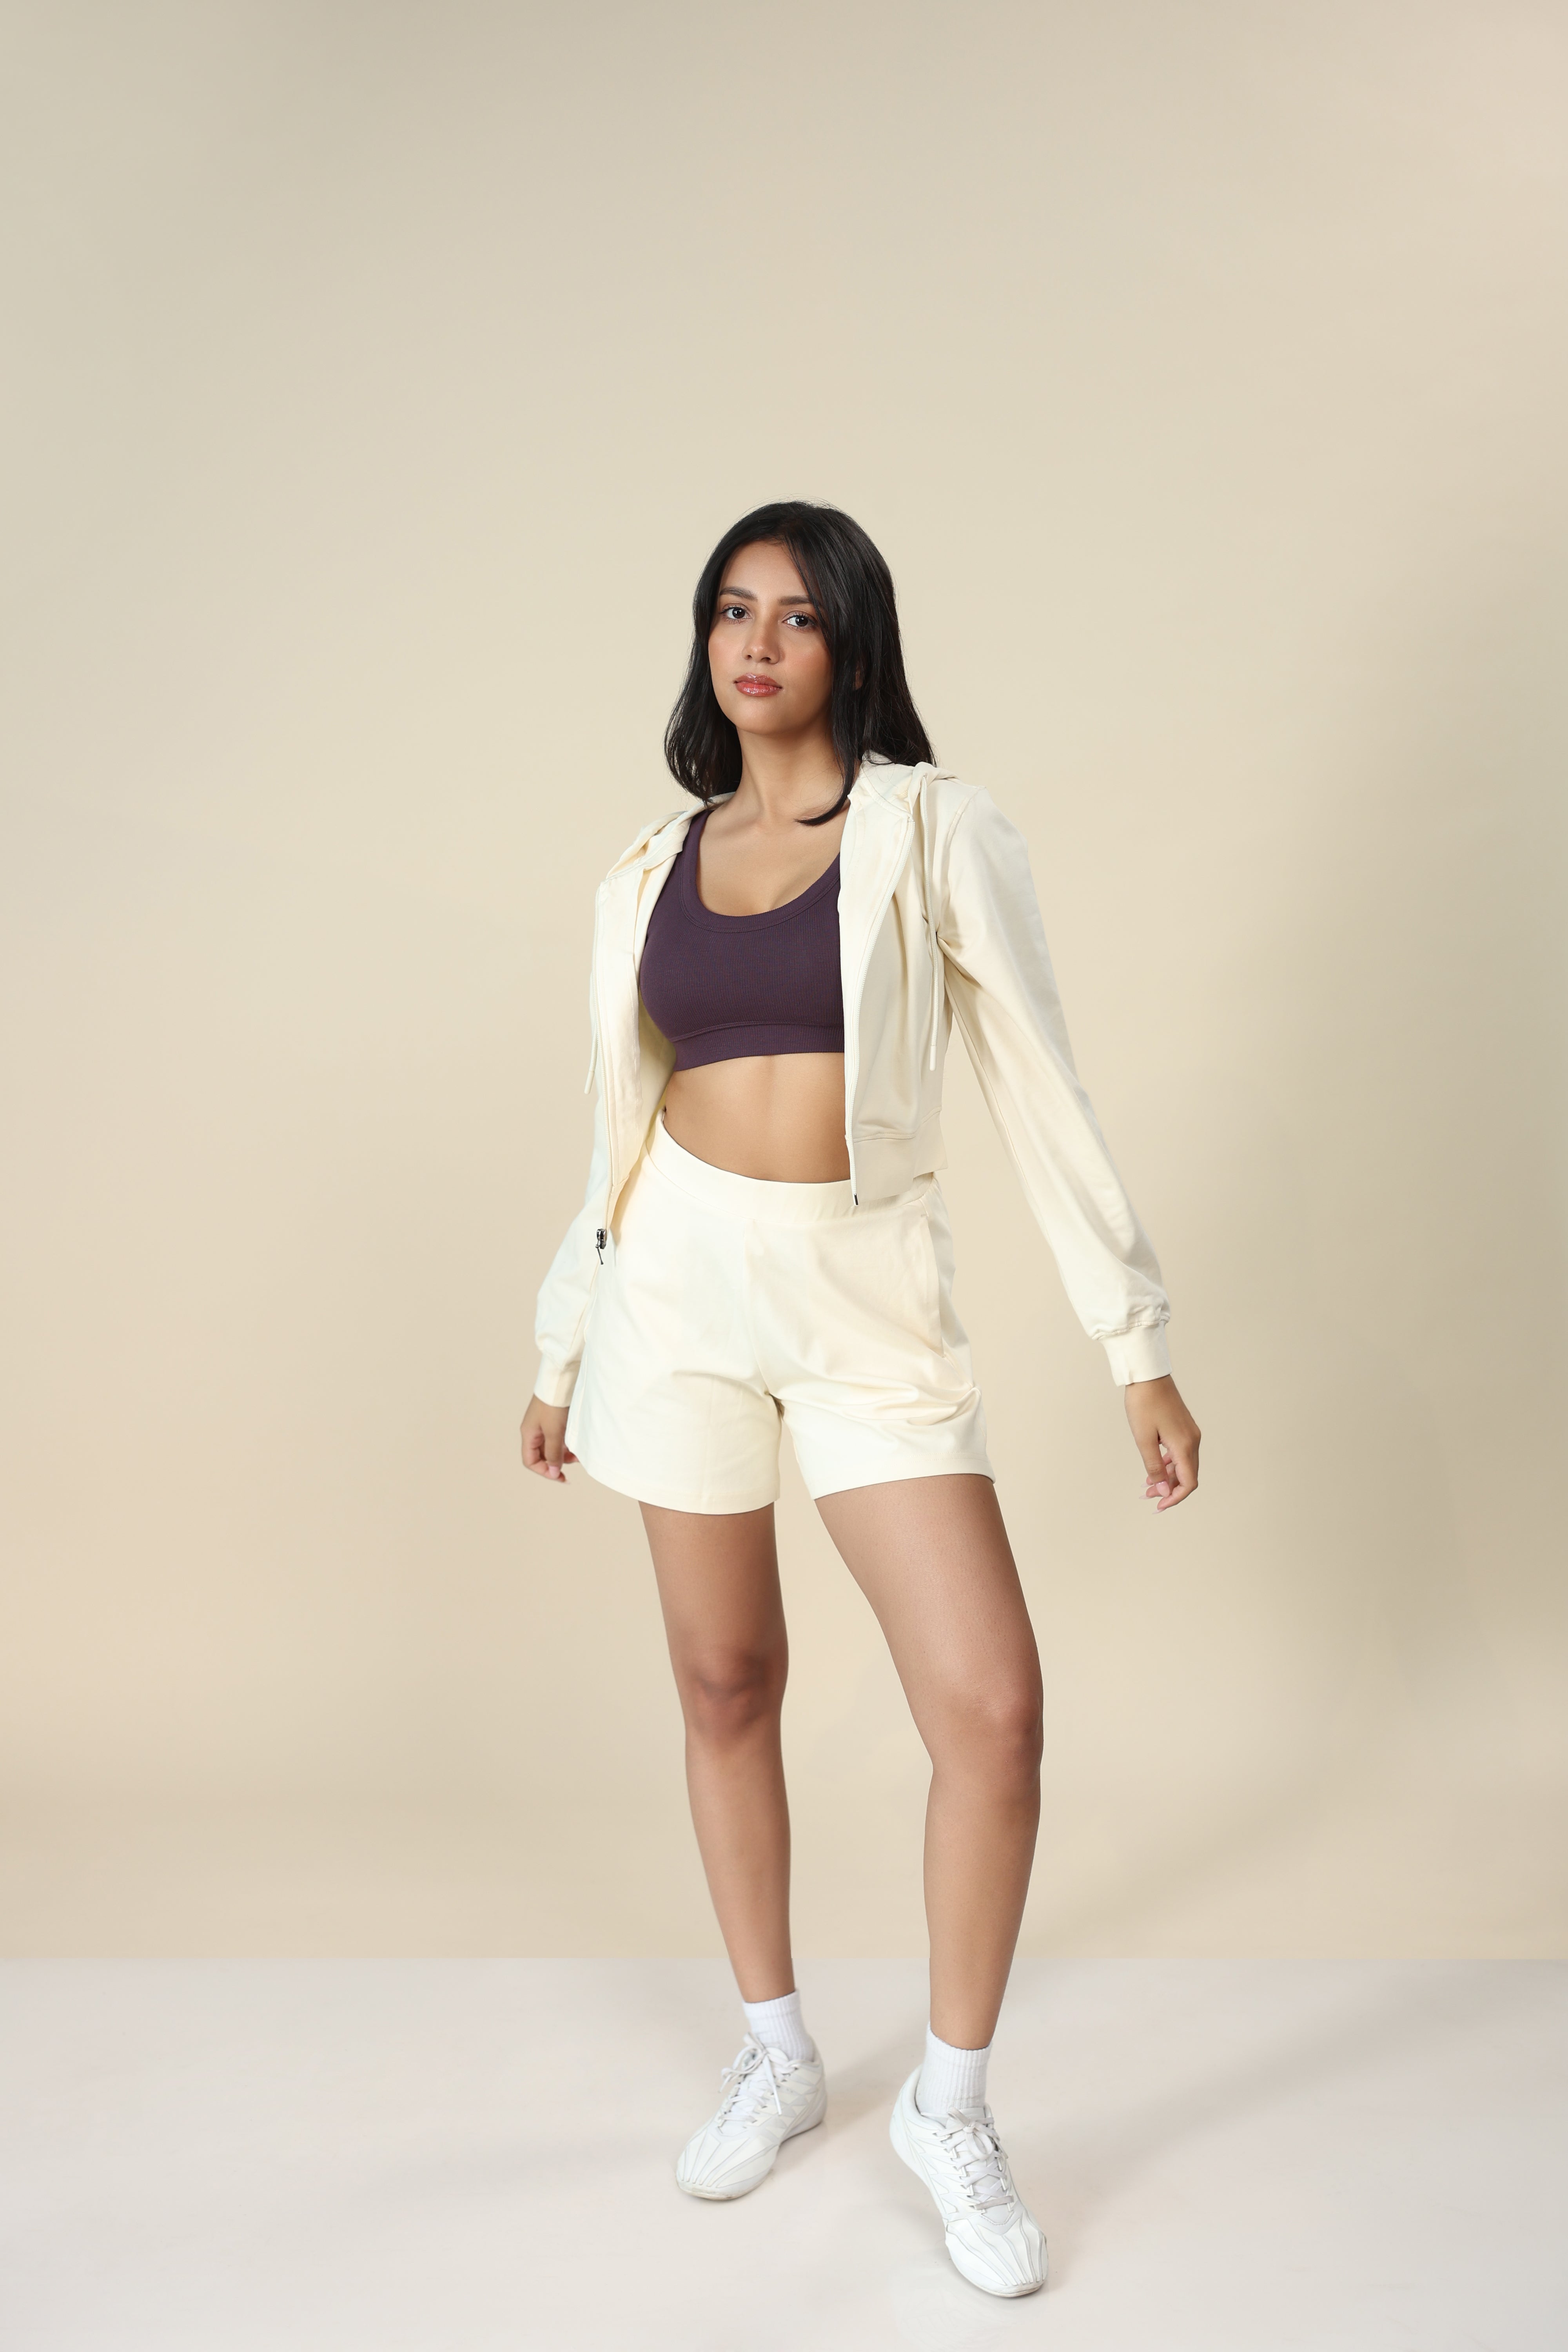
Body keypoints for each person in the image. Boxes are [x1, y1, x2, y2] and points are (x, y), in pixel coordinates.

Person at [519, 501, 1200, 2299]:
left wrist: (1131, 1342)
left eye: (797, 617)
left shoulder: (933, 832)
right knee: (723, 1680)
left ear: (851, 644)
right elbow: (611, 1128)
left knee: (990, 1708)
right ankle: (776, 2051)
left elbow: (1039, 1083)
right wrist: (562, 1343)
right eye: (730, 611)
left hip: (864, 1295)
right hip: (673, 1291)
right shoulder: (645, 866)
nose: (757, 644)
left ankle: (950, 2106)